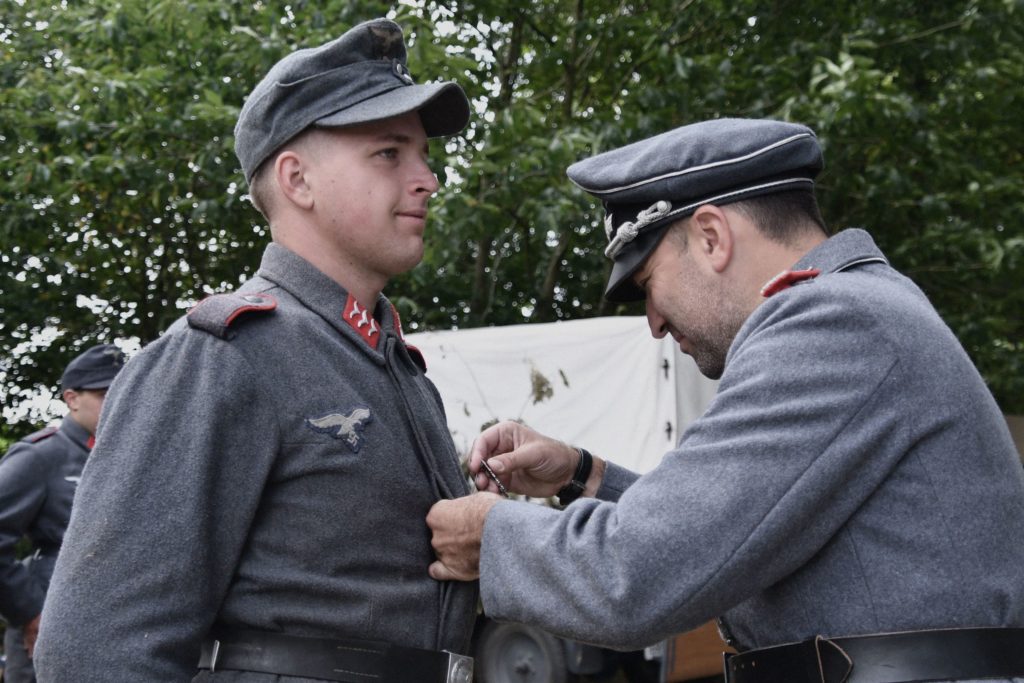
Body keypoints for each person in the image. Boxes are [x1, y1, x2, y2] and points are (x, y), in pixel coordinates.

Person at [426, 118, 1024, 682]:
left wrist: (489, 534)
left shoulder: (831, 323)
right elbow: (723, 532)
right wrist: (583, 474)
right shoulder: (863, 309)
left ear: (711, 237)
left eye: (648, 284)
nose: (654, 323)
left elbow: (640, 575)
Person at [34, 18, 477, 683]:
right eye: (389, 153)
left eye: (422, 154)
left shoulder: (395, 366)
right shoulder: (222, 357)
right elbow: (95, 651)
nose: (428, 179)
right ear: (298, 181)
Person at [0, 343, 124, 683]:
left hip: (113, 628)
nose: (117, 403)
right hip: (48, 625)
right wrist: (29, 612)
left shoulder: (123, 458)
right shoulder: (40, 456)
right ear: (72, 399)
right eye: (104, 394)